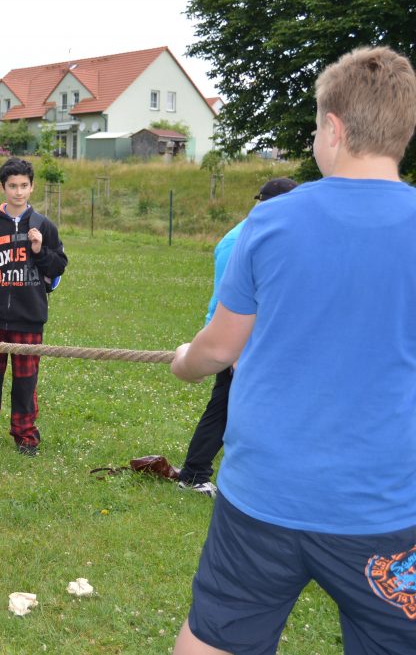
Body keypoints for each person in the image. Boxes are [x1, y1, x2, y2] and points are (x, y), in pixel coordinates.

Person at [170, 46, 416, 655]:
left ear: (333, 129)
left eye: (314, 126)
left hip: (264, 496)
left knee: (213, 641)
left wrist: (183, 361)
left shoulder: (270, 221)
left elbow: (218, 349)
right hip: (387, 507)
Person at [176, 177, 297, 498]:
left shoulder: (271, 234)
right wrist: (234, 352)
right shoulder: (239, 241)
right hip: (236, 340)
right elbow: (227, 302)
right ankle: (193, 474)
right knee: (225, 406)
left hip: (261, 338)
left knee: (248, 406)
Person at [0, 157, 68, 457]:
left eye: (23, 186)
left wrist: (39, 250)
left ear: (32, 187)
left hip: (29, 318)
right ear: (3, 188)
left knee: (25, 381)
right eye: (12, 186)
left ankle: (25, 434)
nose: (18, 192)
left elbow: (58, 267)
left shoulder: (44, 225)